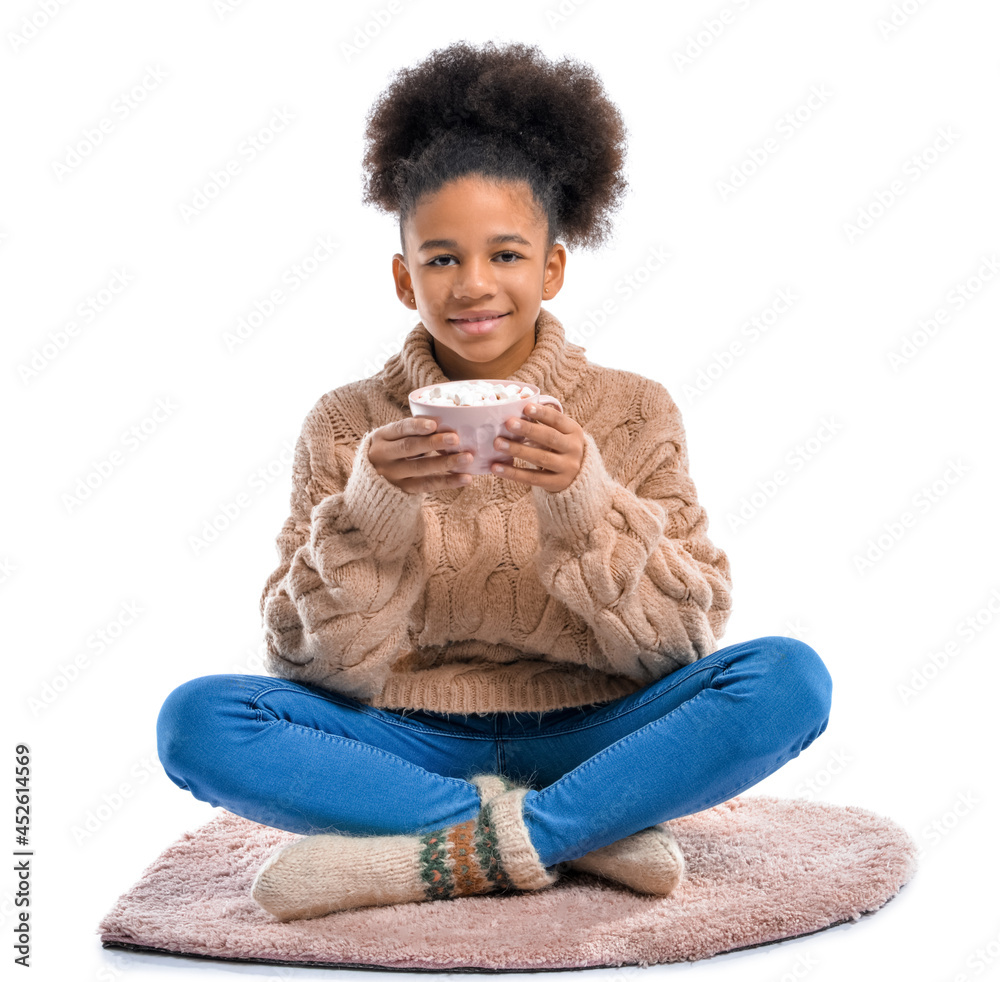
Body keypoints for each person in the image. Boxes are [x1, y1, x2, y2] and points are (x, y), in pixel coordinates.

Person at [156, 40, 833, 923]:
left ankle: (454, 850)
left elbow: (681, 648)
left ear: (551, 267)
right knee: (198, 721)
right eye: (442, 259)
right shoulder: (343, 423)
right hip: (405, 741)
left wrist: (586, 498)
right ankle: (575, 835)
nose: (475, 285)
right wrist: (373, 507)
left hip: (595, 729)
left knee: (790, 680)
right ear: (405, 279)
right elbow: (308, 667)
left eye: (506, 255)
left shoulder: (635, 412)